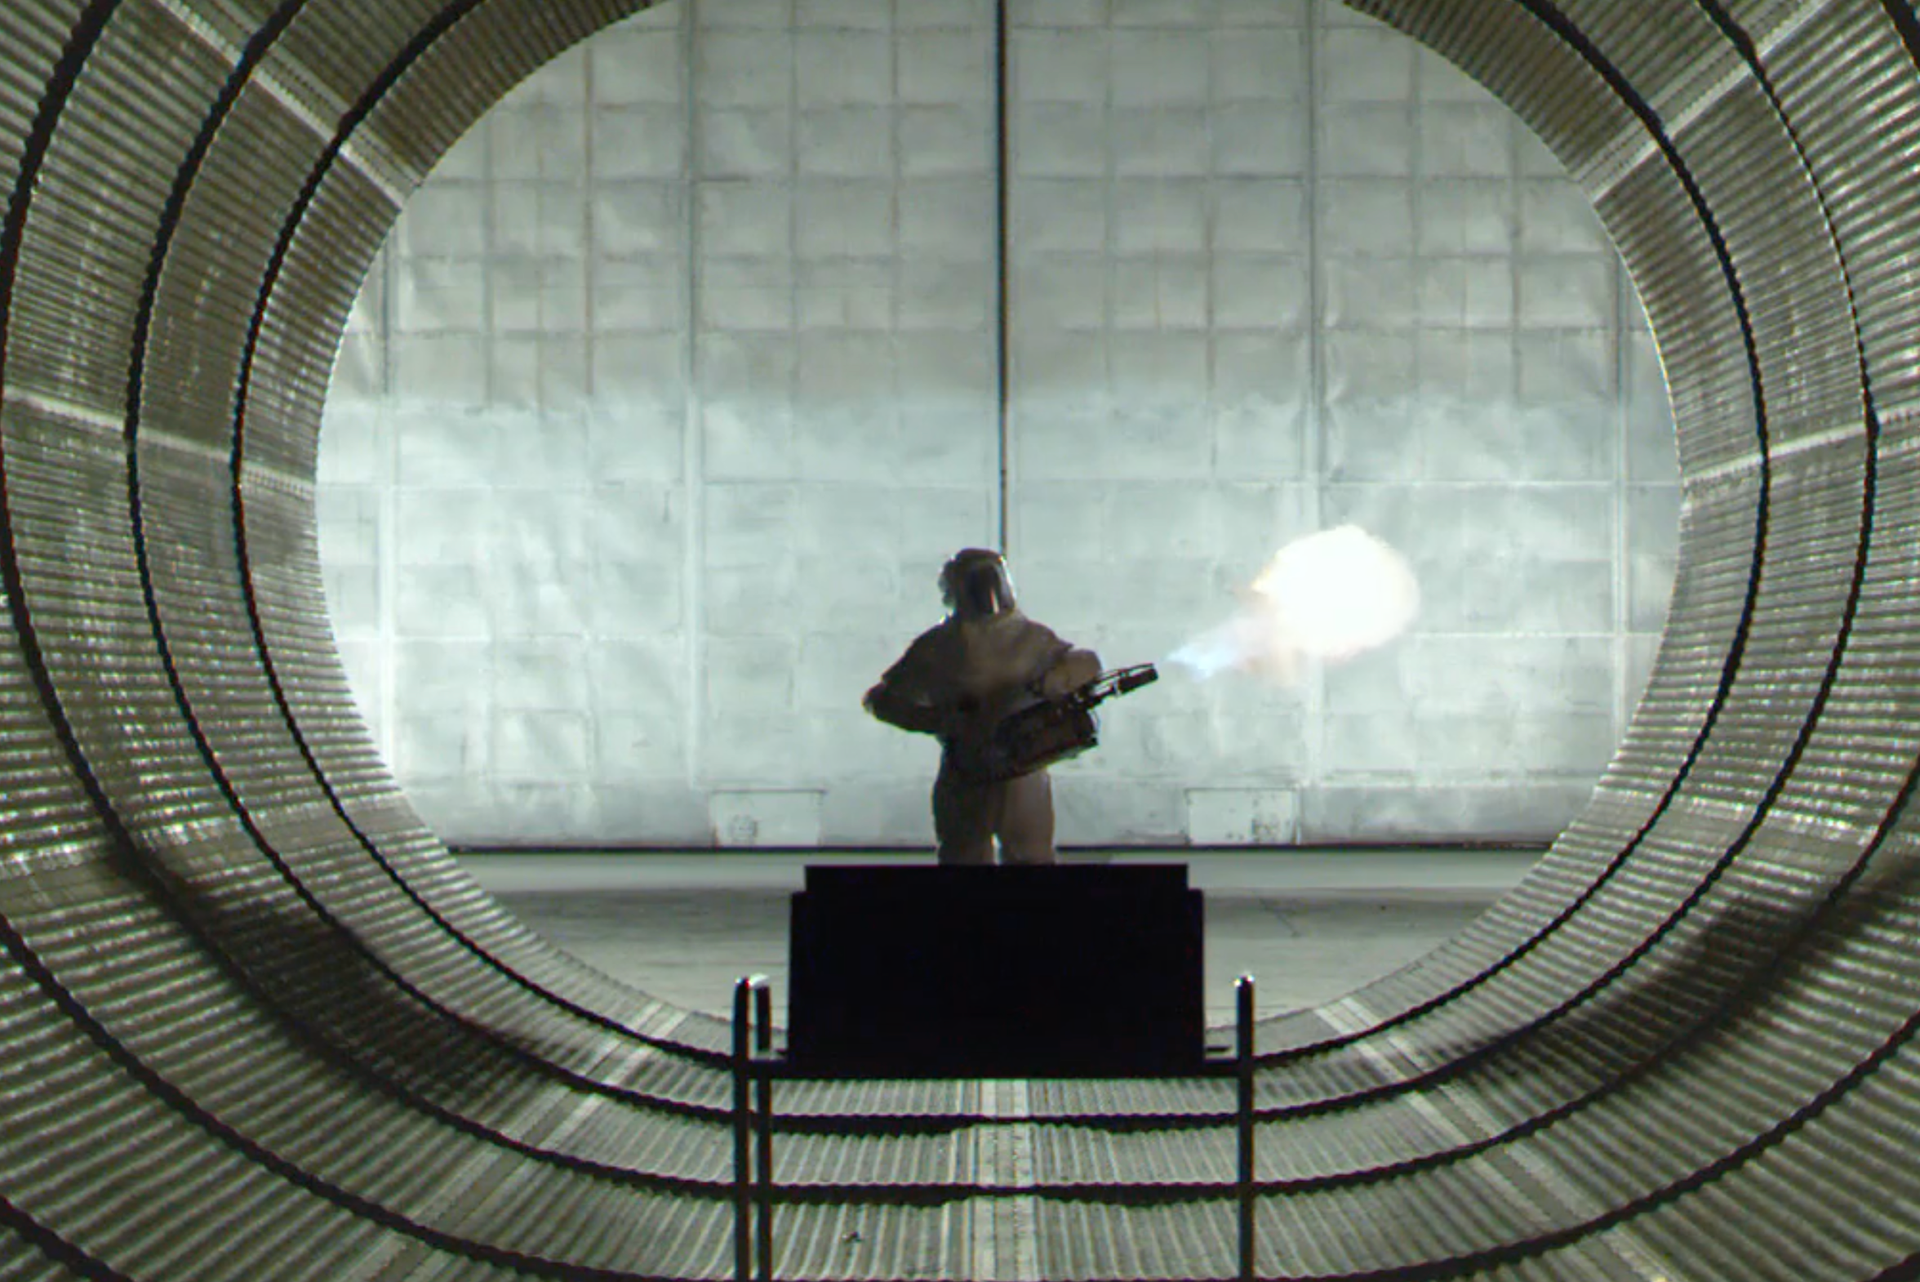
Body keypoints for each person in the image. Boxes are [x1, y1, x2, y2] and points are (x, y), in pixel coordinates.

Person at [863, 549, 1101, 865]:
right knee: (965, 857)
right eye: (976, 581)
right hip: (967, 767)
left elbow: (1087, 665)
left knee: (1030, 856)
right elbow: (882, 700)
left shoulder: (1031, 638)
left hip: (1023, 764)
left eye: (990, 579)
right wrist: (938, 719)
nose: (986, 592)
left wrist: (1058, 679)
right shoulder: (938, 646)